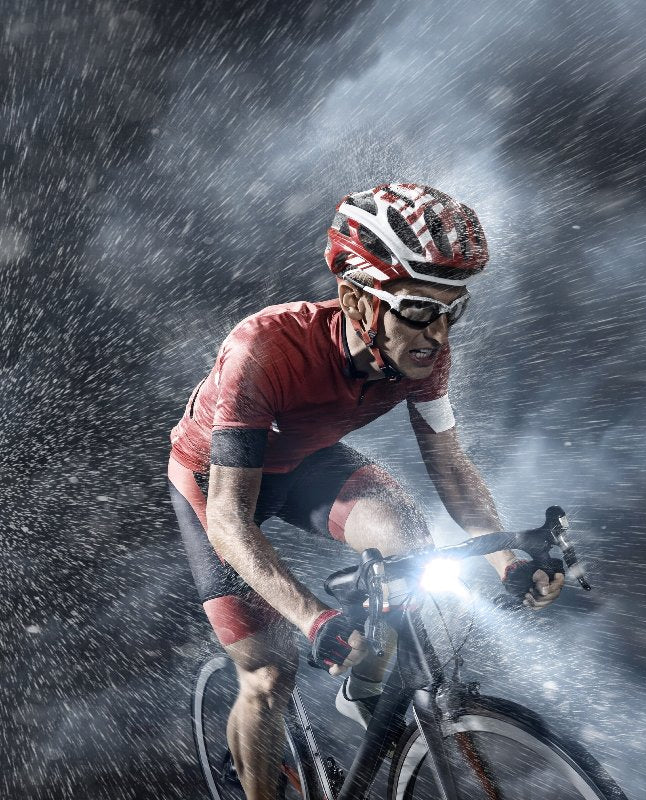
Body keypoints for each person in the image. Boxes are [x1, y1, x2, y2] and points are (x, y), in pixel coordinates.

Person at [167, 183, 564, 800]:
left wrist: (505, 559)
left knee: (406, 537)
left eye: (450, 309)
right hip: (213, 481)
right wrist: (313, 619)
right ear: (355, 299)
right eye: (416, 310)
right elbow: (228, 522)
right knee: (270, 672)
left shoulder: (426, 353)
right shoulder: (265, 348)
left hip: (303, 461)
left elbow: (452, 472)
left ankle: (371, 688)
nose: (435, 333)